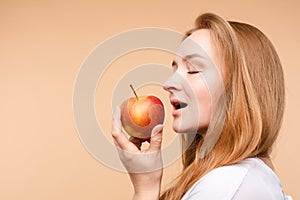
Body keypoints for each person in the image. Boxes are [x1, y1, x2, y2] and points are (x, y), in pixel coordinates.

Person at [111, 13, 293, 200]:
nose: (168, 83)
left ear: (240, 87)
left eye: (193, 69)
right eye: (175, 69)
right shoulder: (244, 179)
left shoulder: (225, 185)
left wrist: (146, 188)